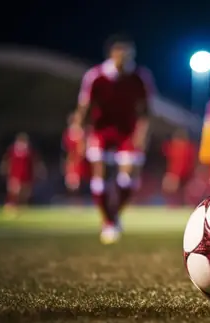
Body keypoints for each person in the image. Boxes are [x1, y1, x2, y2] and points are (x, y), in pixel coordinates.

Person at [74, 33, 156, 244]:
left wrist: (142, 134)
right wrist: (80, 133)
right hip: (101, 131)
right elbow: (84, 108)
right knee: (99, 175)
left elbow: (146, 110)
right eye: (121, 52)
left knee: (129, 178)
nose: (125, 57)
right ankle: (108, 221)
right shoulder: (96, 76)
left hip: (127, 132)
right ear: (112, 54)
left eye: (129, 53)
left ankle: (114, 215)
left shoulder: (140, 76)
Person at [0, 133, 45, 216]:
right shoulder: (12, 150)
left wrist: (38, 172)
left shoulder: (29, 151)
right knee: (14, 192)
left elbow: (35, 162)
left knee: (24, 194)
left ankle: (22, 208)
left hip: (26, 175)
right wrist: (4, 169)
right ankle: (10, 207)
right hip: (15, 175)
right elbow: (7, 160)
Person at [162, 128, 197, 206]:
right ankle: (179, 205)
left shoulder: (174, 146)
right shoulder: (189, 147)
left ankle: (173, 205)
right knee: (182, 192)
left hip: (176, 173)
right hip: (186, 174)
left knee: (173, 192)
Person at [62, 112, 89, 195]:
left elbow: (84, 147)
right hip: (72, 160)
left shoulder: (83, 131)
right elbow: (67, 149)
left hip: (81, 160)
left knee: (80, 182)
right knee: (71, 183)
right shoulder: (68, 133)